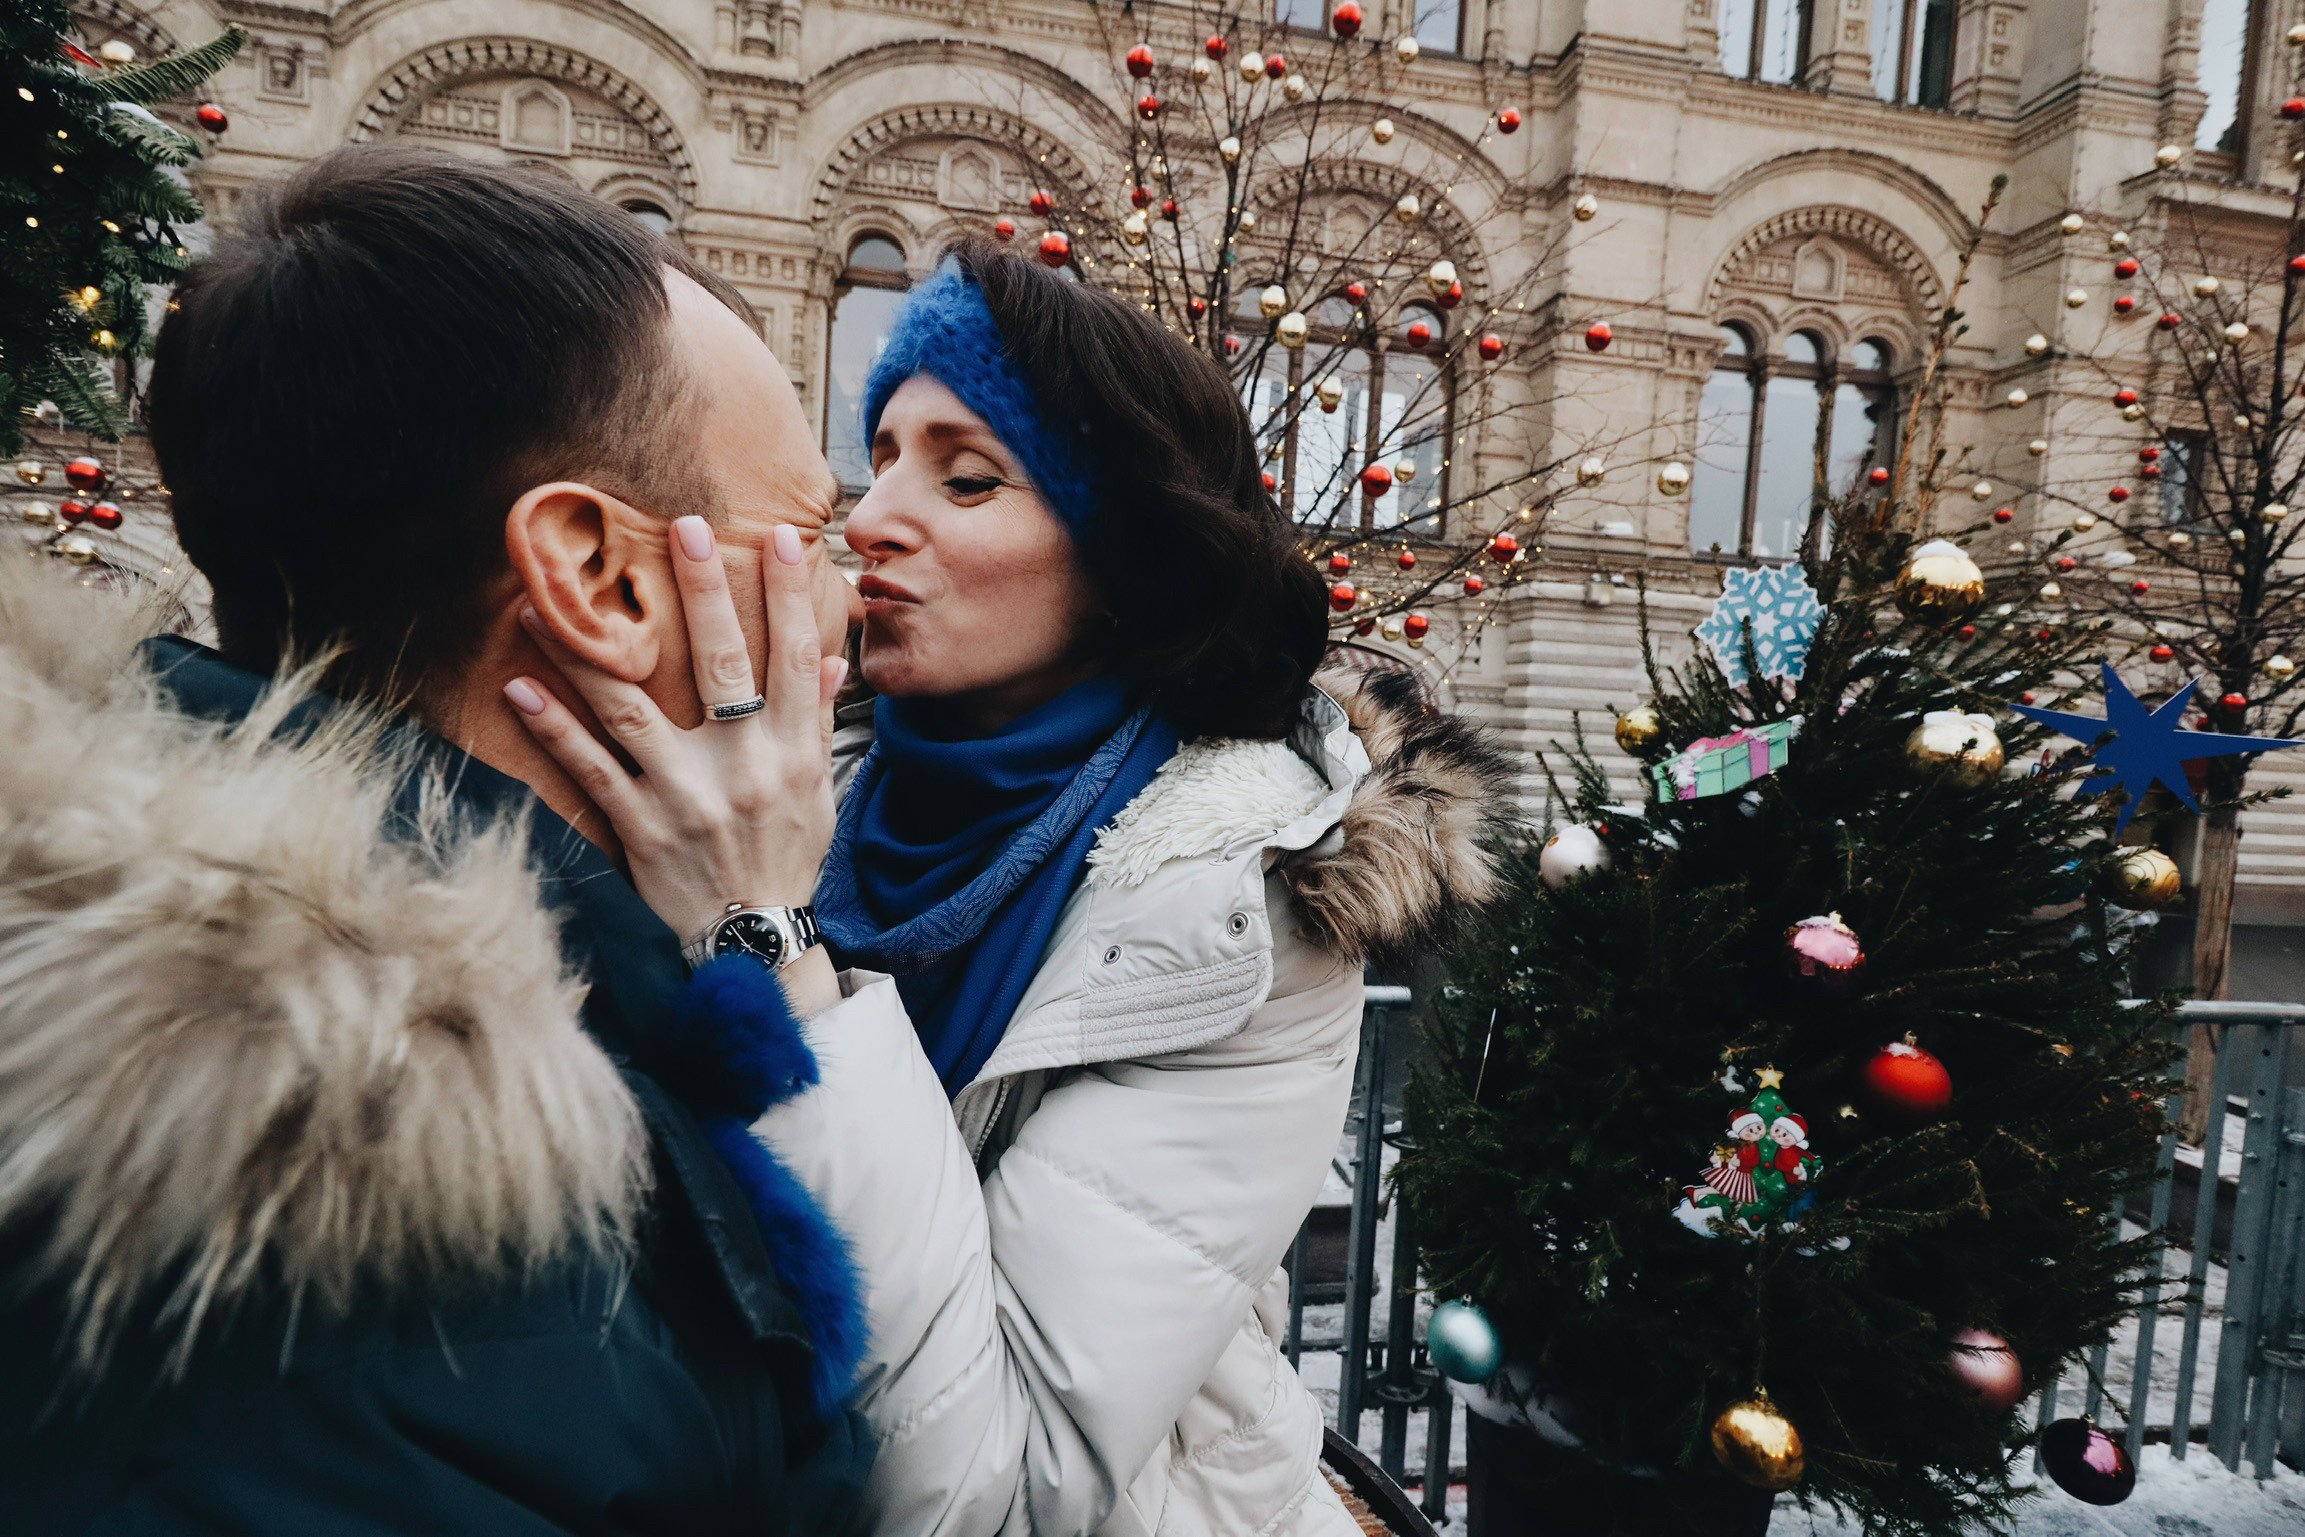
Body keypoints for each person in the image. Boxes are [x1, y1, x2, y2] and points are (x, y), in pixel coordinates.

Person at [512, 240, 1515, 1535]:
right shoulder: (799, 793)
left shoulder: (1242, 902)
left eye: (968, 476)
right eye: (881, 458)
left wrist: (764, 934)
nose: (868, 518)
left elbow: (994, 1485)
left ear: (1122, 552)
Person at [0, 143, 873, 1534]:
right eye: (810, 535)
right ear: (598, 577)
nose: (848, 605)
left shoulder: (251, 1016)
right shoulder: (461, 1272)